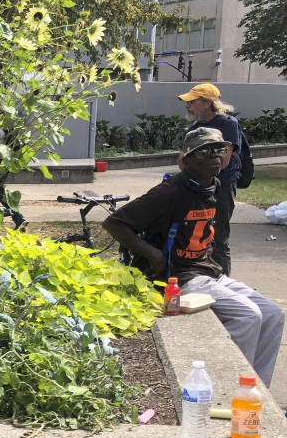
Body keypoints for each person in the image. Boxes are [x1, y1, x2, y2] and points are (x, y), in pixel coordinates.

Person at [103, 128, 283, 388]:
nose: (214, 156)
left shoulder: (214, 185)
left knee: (272, 313)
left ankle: (256, 390)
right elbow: (114, 223)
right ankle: (226, 387)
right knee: (248, 316)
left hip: (207, 271)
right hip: (180, 276)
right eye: (204, 151)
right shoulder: (169, 192)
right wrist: (153, 255)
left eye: (219, 150)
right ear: (187, 160)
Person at [178, 82, 242, 275]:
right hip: (197, 187)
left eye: (192, 101)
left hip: (221, 187)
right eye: (187, 102)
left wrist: (197, 162)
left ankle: (224, 282)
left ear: (207, 103)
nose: (187, 105)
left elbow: (222, 162)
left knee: (219, 238)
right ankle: (203, 277)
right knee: (196, 237)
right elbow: (182, 161)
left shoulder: (227, 124)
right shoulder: (194, 128)